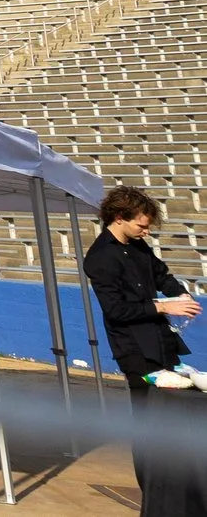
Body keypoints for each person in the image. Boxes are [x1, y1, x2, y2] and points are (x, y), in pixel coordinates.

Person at [86, 185, 206, 516]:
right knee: (148, 419)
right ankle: (154, 491)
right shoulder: (99, 259)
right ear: (120, 217)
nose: (146, 230)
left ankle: (181, 483)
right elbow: (117, 311)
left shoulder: (138, 246)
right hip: (135, 353)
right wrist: (165, 306)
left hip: (162, 343)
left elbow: (161, 275)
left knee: (176, 413)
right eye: (141, 224)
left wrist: (180, 295)